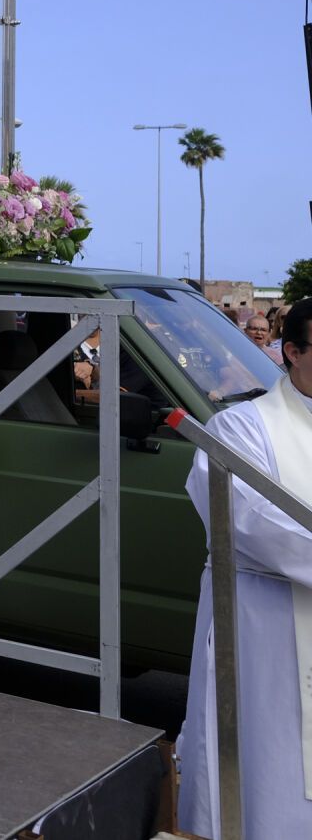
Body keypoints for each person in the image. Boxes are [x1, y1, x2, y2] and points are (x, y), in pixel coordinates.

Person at [176, 298, 312, 835]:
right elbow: (248, 522)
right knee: (270, 759)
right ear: (293, 353)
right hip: (265, 624)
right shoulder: (240, 429)